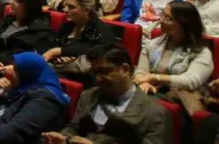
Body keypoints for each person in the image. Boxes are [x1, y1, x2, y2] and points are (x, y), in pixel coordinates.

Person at [41, 46, 171, 144]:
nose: (97, 79)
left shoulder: (155, 113)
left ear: (125, 69)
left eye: (103, 71)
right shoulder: (88, 95)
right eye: (94, 73)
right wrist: (64, 138)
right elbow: (74, 127)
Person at [0, 53, 69, 144]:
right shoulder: (18, 88)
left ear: (27, 74)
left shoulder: (46, 102)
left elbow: (13, 131)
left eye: (15, 69)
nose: (8, 71)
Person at [134, 1, 213, 115]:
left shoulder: (202, 53)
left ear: (184, 25)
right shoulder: (153, 44)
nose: (162, 20)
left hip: (181, 104)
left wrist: (155, 78)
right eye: (162, 15)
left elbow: (191, 81)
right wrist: (144, 83)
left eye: (168, 18)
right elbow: (141, 72)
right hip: (152, 94)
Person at [44, 0, 117, 85]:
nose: (65, 10)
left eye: (71, 7)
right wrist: (60, 57)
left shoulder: (100, 29)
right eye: (66, 5)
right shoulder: (66, 26)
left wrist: (60, 51)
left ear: (86, 10)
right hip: (63, 72)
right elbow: (57, 46)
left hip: (88, 80)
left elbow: (99, 51)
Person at [0, 0, 58, 67]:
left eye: (16, 0)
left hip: (20, 72)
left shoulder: (41, 31)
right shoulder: (5, 22)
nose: (11, 2)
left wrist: (15, 67)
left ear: (28, 5)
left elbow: (36, 60)